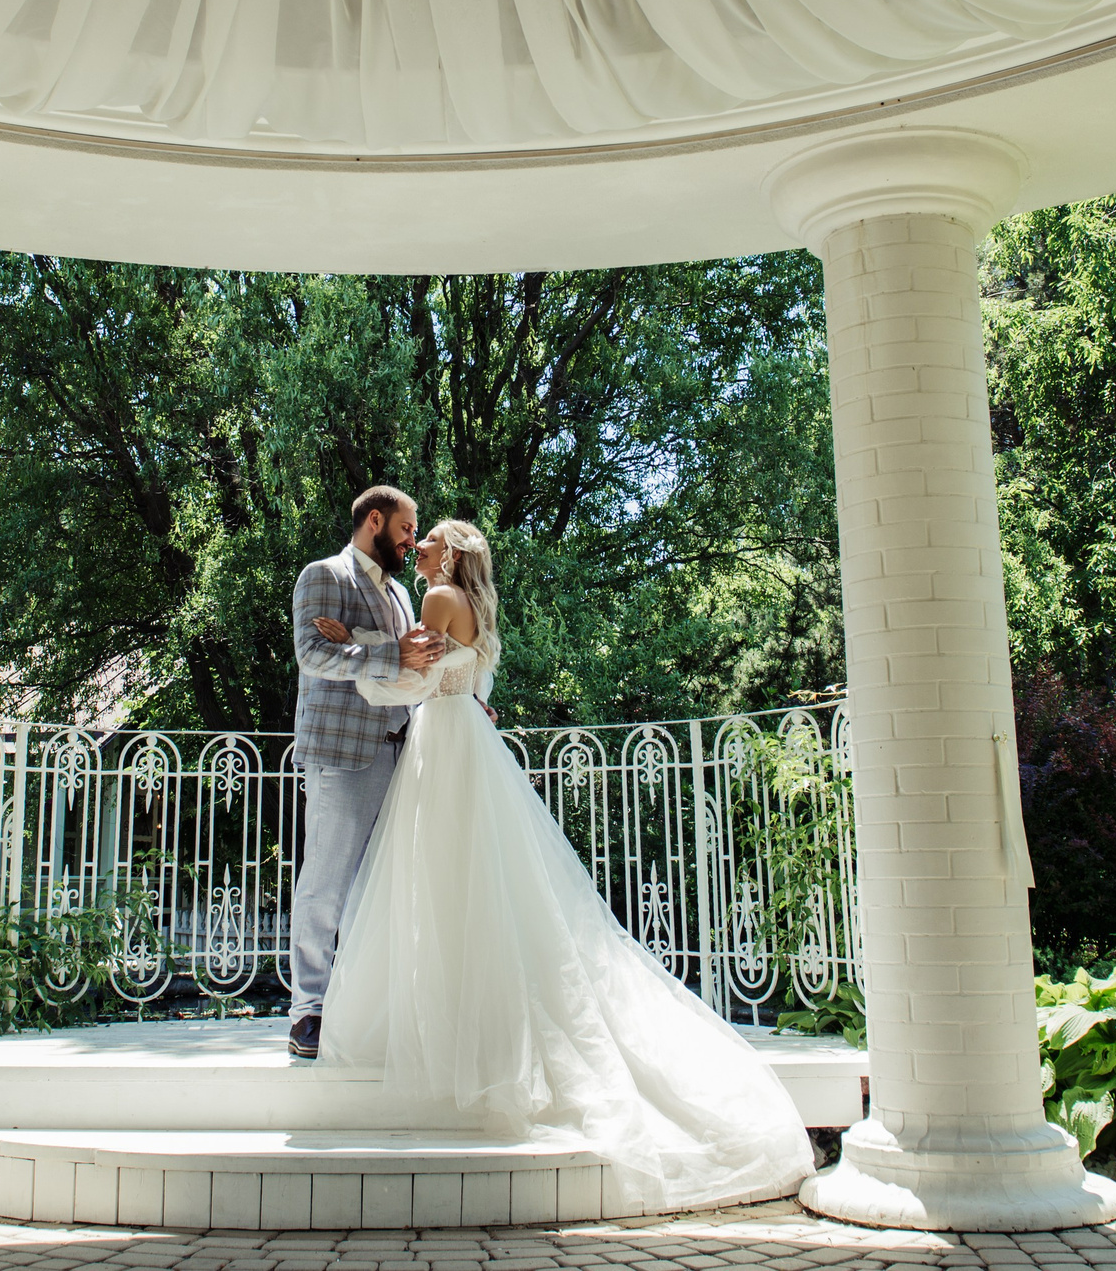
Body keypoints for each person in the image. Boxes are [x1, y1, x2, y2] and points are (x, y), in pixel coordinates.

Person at [310, 518, 815, 1215]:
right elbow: (454, 674)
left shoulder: (436, 599)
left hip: (446, 745)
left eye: (428, 540)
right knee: (479, 892)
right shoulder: (477, 608)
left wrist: (359, 655)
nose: (417, 544)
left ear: (451, 554)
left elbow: (409, 681)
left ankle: (464, 1037)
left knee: (444, 889)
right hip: (469, 743)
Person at [285, 485, 442, 1060]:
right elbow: (312, 654)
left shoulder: (403, 593)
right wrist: (386, 653)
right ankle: (309, 1009)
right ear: (374, 520)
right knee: (327, 881)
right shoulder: (323, 576)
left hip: (404, 755)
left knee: (383, 887)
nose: (412, 539)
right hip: (341, 754)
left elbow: (414, 670)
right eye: (405, 527)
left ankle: (364, 1007)